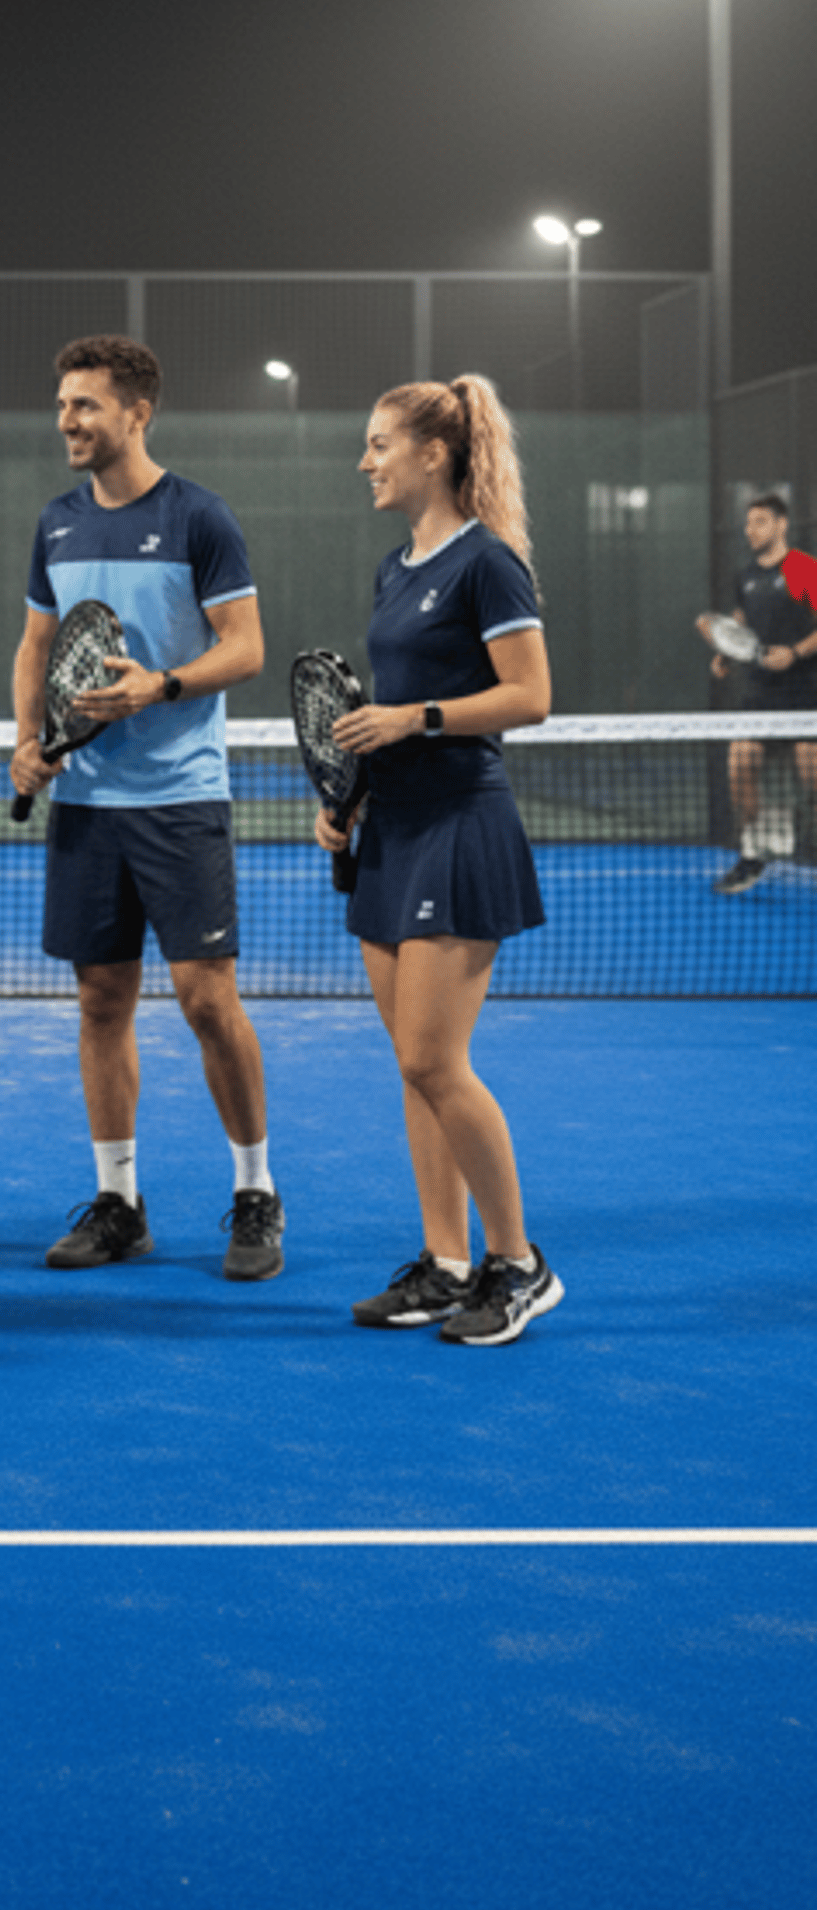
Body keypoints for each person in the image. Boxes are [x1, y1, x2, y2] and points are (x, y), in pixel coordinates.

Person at [10, 334, 285, 1282]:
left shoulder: (199, 516)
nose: (66, 421)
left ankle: (255, 1191)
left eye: (84, 404)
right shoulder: (56, 522)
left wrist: (159, 686)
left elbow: (244, 648)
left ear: (137, 412)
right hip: (86, 800)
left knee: (207, 1000)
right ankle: (119, 1202)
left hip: (179, 797)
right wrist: (26, 739)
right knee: (100, 999)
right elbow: (36, 647)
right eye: (61, 405)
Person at [315, 374, 562, 1347]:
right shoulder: (396, 566)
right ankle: (445, 1261)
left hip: (463, 823)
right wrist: (354, 796)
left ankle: (519, 1263)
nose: (365, 459)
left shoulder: (486, 563)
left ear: (434, 453)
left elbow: (532, 694)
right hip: (394, 827)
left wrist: (413, 718)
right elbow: (386, 709)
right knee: (411, 1066)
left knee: (433, 1056)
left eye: (380, 443)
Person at [696, 494, 817, 894]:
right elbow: (741, 623)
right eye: (748, 523)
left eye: (760, 522)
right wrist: (723, 654)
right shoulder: (745, 575)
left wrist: (795, 652)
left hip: (804, 690)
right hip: (759, 692)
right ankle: (753, 854)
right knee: (740, 764)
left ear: (781, 526)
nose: (751, 530)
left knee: (810, 769)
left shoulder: (801, 568)